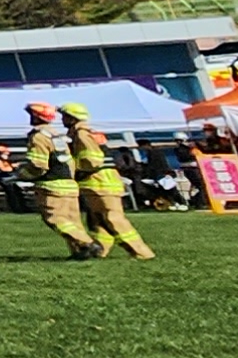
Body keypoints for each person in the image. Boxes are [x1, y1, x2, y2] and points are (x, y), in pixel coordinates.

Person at [69, 105, 154, 259]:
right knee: (99, 219)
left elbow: (92, 160)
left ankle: (141, 252)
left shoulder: (82, 134)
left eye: (65, 116)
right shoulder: (85, 132)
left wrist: (77, 170)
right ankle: (100, 251)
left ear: (72, 117)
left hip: (100, 181)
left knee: (112, 218)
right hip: (99, 181)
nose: (62, 119)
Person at [27, 101, 99, 258]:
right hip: (69, 185)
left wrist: (21, 174)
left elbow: (38, 165)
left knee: (55, 218)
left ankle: (87, 243)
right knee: (73, 221)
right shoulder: (57, 135)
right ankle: (80, 252)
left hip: (51, 185)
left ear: (36, 117)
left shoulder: (38, 136)